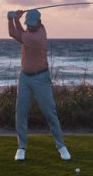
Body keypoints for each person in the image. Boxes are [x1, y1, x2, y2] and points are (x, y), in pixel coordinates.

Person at [7, 9, 71, 163]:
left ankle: (61, 146)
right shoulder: (33, 31)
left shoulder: (38, 37)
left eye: (31, 25)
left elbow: (14, 34)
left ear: (40, 23)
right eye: (27, 24)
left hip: (41, 79)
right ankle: (21, 147)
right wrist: (15, 19)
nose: (29, 27)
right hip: (24, 78)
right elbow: (21, 33)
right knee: (21, 112)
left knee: (50, 113)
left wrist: (12, 19)